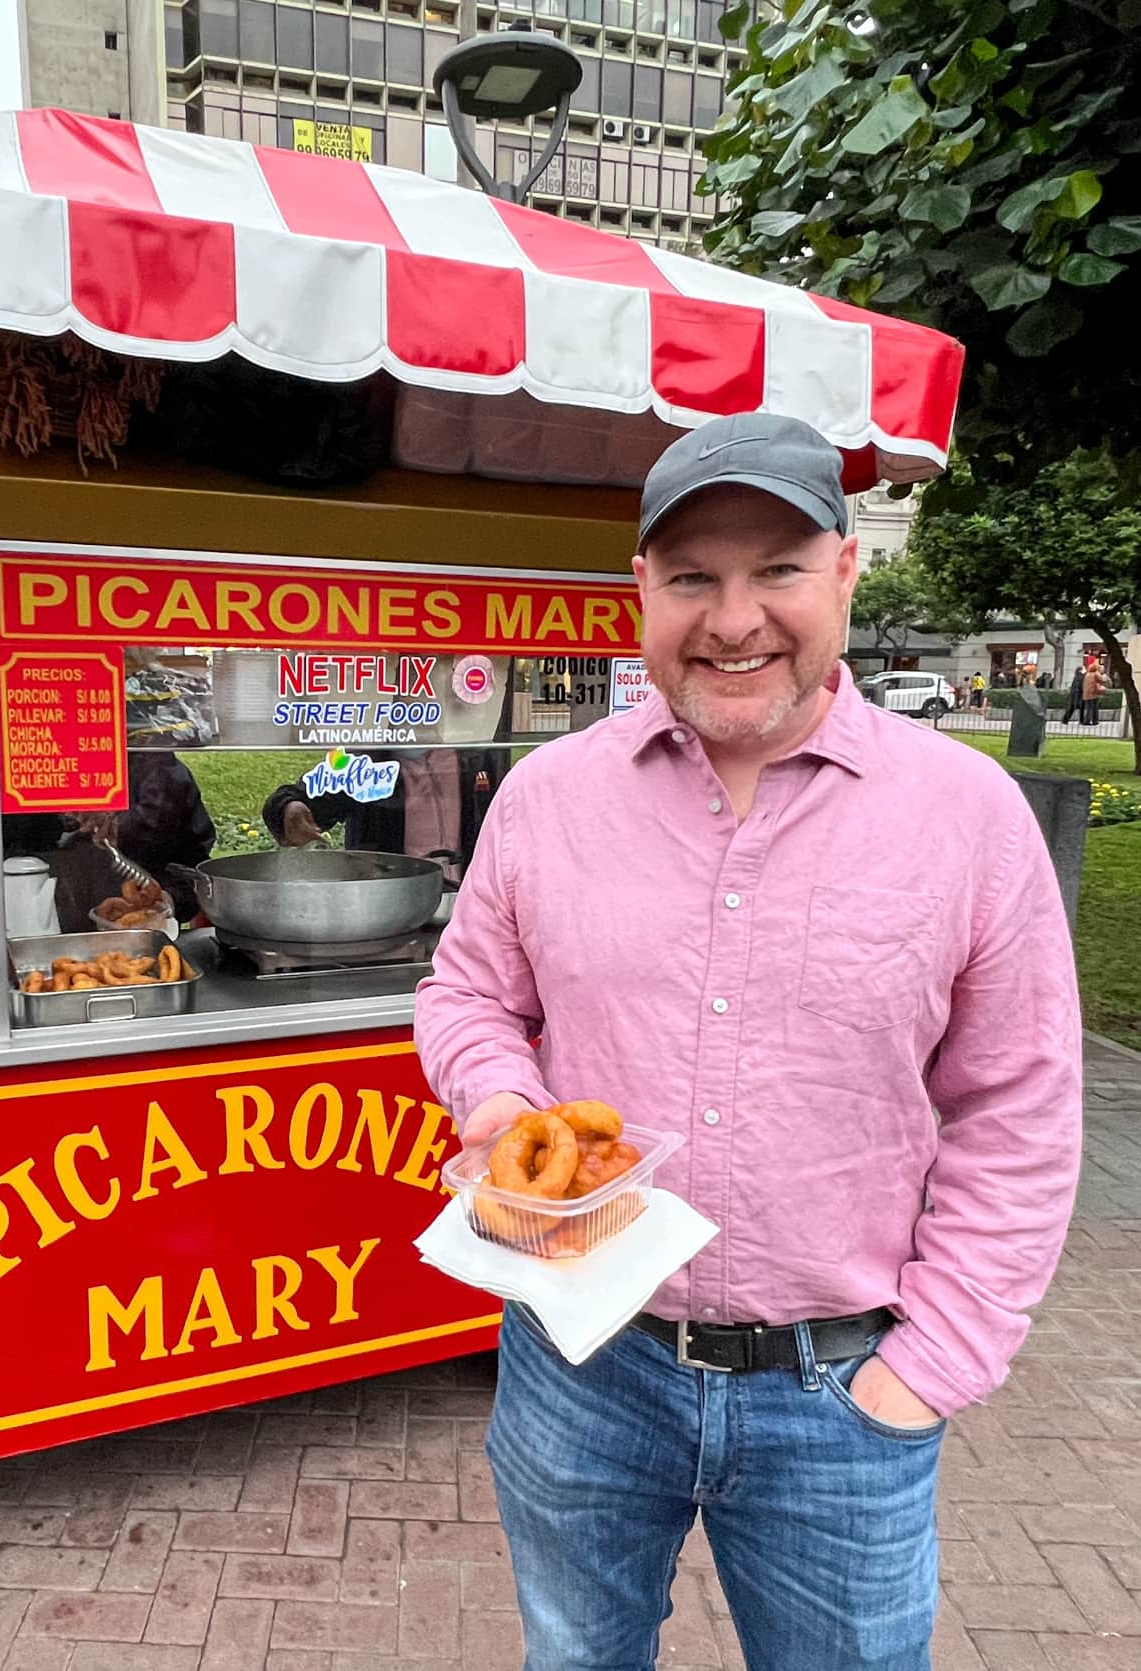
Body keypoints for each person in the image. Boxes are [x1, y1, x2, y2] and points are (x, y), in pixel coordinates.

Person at [415, 413, 1082, 1671]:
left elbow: (1021, 1108)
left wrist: (931, 1365)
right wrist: (500, 1106)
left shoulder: (968, 818)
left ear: (845, 570)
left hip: (843, 1395)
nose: (733, 620)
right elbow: (468, 994)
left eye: (775, 569)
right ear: (639, 596)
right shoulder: (551, 801)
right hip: (580, 1363)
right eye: (692, 579)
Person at [4, 749, 216, 931]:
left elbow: (194, 872)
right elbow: (4, 851)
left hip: (137, 941)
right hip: (42, 930)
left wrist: (169, 901)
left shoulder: (163, 777)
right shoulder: (26, 770)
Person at [262, 747, 509, 883]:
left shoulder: (477, 756)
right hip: (392, 896)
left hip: (467, 894)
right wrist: (288, 808)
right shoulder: (367, 760)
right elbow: (303, 798)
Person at [1082, 658, 1107, 726]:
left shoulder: (1087, 675)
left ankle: (1086, 720)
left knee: (1088, 708)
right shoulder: (1096, 674)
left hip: (1086, 694)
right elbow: (1102, 680)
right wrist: (1104, 678)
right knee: (1094, 708)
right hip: (1093, 693)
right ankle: (1095, 720)